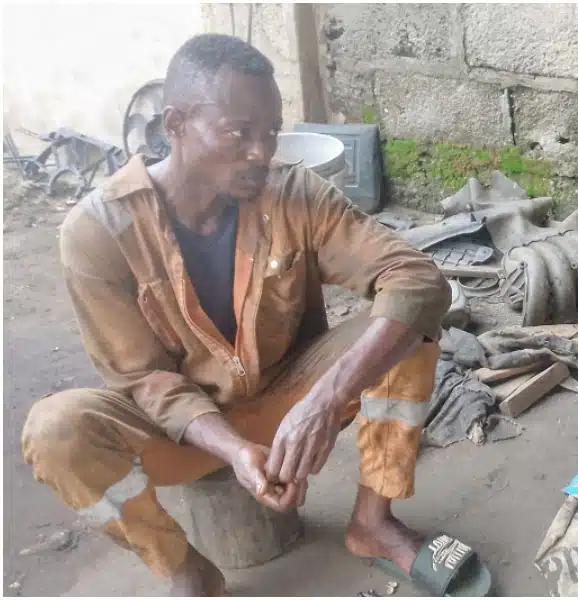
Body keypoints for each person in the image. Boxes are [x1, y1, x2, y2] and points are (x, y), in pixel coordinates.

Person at [21, 33, 489, 596]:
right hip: (179, 435)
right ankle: (186, 570)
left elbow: (417, 280)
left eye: (269, 132)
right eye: (239, 132)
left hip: (287, 401)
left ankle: (373, 522)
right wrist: (235, 450)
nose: (261, 153)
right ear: (174, 124)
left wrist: (320, 401)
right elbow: (143, 381)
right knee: (55, 432)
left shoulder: (294, 195)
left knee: (406, 328)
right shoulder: (98, 231)